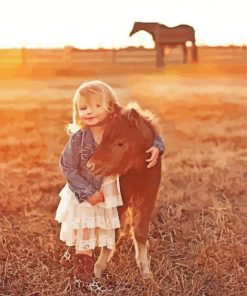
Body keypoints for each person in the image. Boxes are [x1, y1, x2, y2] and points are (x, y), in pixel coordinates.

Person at [55, 80, 165, 286]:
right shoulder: (79, 138)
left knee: (103, 222)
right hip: (85, 191)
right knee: (86, 229)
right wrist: (87, 191)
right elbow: (67, 166)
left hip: (108, 186)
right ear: (77, 111)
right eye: (84, 107)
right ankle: (84, 274)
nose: (91, 112)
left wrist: (157, 145)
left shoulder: (117, 120)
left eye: (98, 106)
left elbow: (145, 126)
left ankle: (91, 263)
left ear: (110, 107)